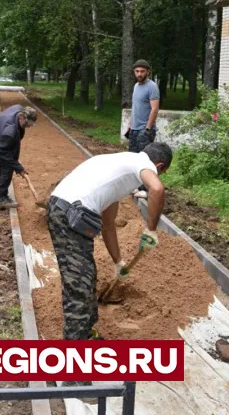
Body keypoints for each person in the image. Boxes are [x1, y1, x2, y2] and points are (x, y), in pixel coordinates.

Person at [46, 143, 173, 353]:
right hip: (71, 213)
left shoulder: (117, 166)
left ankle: (85, 336)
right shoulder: (141, 163)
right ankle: (74, 364)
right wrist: (151, 229)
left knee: (86, 279)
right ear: (160, 166)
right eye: (160, 172)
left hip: (64, 210)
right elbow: (157, 189)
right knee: (78, 287)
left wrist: (118, 262)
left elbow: (108, 225)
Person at [0, 104, 38, 209]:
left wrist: (16, 165)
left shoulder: (19, 109)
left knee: (6, 165)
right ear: (21, 117)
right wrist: (18, 167)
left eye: (30, 124)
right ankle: (2, 198)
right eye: (27, 124)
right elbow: (4, 153)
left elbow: (10, 149)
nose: (28, 126)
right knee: (7, 166)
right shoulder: (10, 131)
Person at [125, 59, 160, 199]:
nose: (139, 74)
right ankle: (135, 186)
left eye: (142, 71)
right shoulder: (136, 86)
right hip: (134, 129)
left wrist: (148, 128)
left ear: (148, 71)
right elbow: (135, 107)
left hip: (144, 130)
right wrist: (130, 124)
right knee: (133, 159)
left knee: (145, 160)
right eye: (137, 71)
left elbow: (155, 109)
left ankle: (146, 189)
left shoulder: (152, 87)